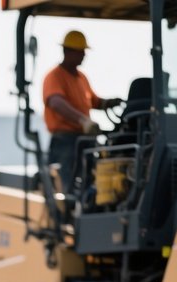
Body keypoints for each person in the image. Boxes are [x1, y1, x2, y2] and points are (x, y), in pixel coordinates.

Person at [43, 30, 122, 193]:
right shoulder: (55, 77)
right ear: (67, 51)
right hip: (65, 142)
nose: (84, 55)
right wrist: (83, 120)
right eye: (80, 52)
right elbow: (56, 102)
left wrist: (109, 103)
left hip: (84, 139)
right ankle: (67, 213)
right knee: (68, 185)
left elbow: (94, 101)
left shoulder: (81, 77)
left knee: (89, 180)